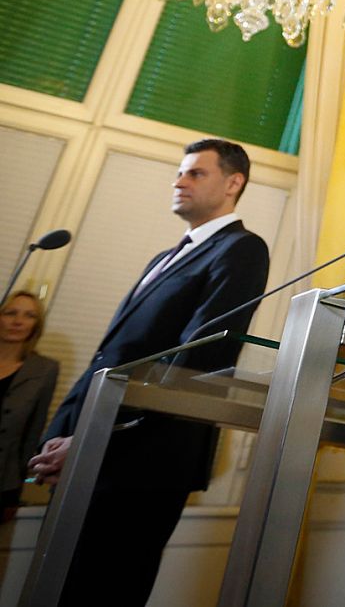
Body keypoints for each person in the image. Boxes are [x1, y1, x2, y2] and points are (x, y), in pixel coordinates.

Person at [27, 138, 270, 607]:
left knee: (105, 589)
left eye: (195, 173)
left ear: (233, 183)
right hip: (90, 451)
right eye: (179, 173)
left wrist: (98, 436)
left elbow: (195, 358)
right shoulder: (163, 257)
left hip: (145, 455)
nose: (179, 181)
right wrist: (61, 434)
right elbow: (112, 354)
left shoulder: (242, 248)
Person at [0, 292, 58, 522]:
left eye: (29, 315)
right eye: (10, 313)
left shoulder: (45, 369)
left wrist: (15, 492)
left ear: (37, 325)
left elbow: (32, 432)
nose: (17, 321)